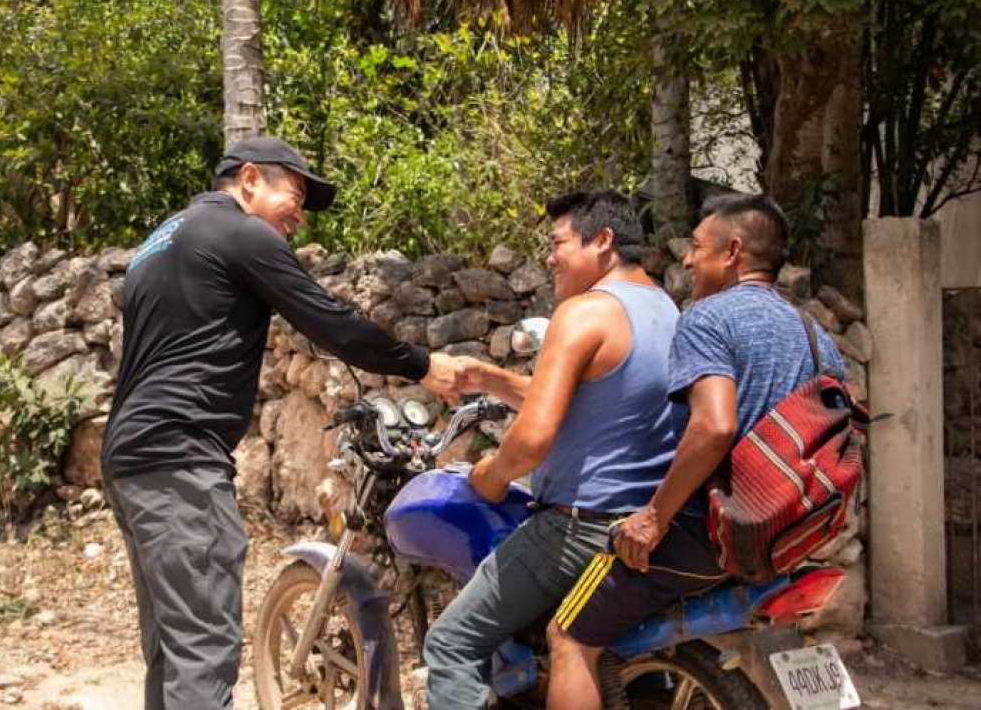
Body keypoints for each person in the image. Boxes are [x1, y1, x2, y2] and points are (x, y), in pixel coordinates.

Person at [100, 135, 460, 710]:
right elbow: (330, 323)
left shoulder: (160, 240)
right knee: (204, 644)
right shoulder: (240, 233)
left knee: (172, 644)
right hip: (181, 456)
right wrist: (424, 365)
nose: (298, 216)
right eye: (293, 194)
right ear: (248, 180)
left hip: (130, 457)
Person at [544, 194, 844, 710]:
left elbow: (713, 425)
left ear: (732, 252)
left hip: (709, 533)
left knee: (568, 636)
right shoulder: (814, 333)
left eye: (697, 248)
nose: (685, 260)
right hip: (790, 530)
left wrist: (654, 518)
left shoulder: (709, 318)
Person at [422, 189, 689, 710]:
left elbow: (532, 440)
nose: (548, 257)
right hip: (652, 520)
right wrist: (496, 380)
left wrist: (492, 475)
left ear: (604, 241)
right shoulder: (665, 308)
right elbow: (602, 398)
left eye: (558, 243)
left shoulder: (584, 311)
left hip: (580, 526)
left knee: (452, 642)